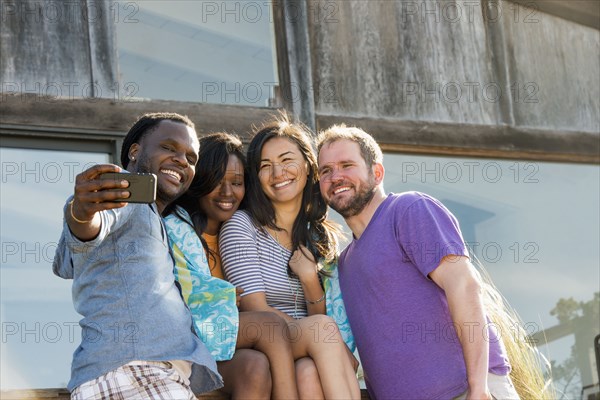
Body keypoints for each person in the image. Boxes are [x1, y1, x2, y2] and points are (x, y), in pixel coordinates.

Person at [316, 124, 520, 400]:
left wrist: (479, 388)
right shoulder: (345, 264)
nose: (336, 176)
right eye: (326, 170)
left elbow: (465, 286)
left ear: (377, 173)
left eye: (346, 165)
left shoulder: (408, 210)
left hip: (464, 392)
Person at [52, 113, 221, 399]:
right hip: (134, 374)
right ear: (134, 151)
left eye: (191, 158)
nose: (182, 160)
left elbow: (69, 260)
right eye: (168, 148)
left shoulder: (157, 217)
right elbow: (91, 226)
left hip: (140, 376)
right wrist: (82, 213)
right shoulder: (123, 195)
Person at [219, 115, 361, 399]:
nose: (278, 173)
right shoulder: (241, 226)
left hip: (306, 351)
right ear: (256, 178)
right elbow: (254, 308)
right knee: (322, 330)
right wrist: (324, 336)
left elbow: (318, 317)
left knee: (308, 372)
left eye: (286, 160)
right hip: (263, 343)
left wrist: (309, 279)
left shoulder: (319, 237)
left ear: (309, 167)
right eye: (265, 166)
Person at [163, 132, 299, 399]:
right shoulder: (174, 230)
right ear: (199, 182)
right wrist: (221, 298)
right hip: (186, 341)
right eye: (216, 182)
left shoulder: (242, 235)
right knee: (268, 326)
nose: (227, 193)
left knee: (255, 366)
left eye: (236, 182)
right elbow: (169, 293)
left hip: (225, 352)